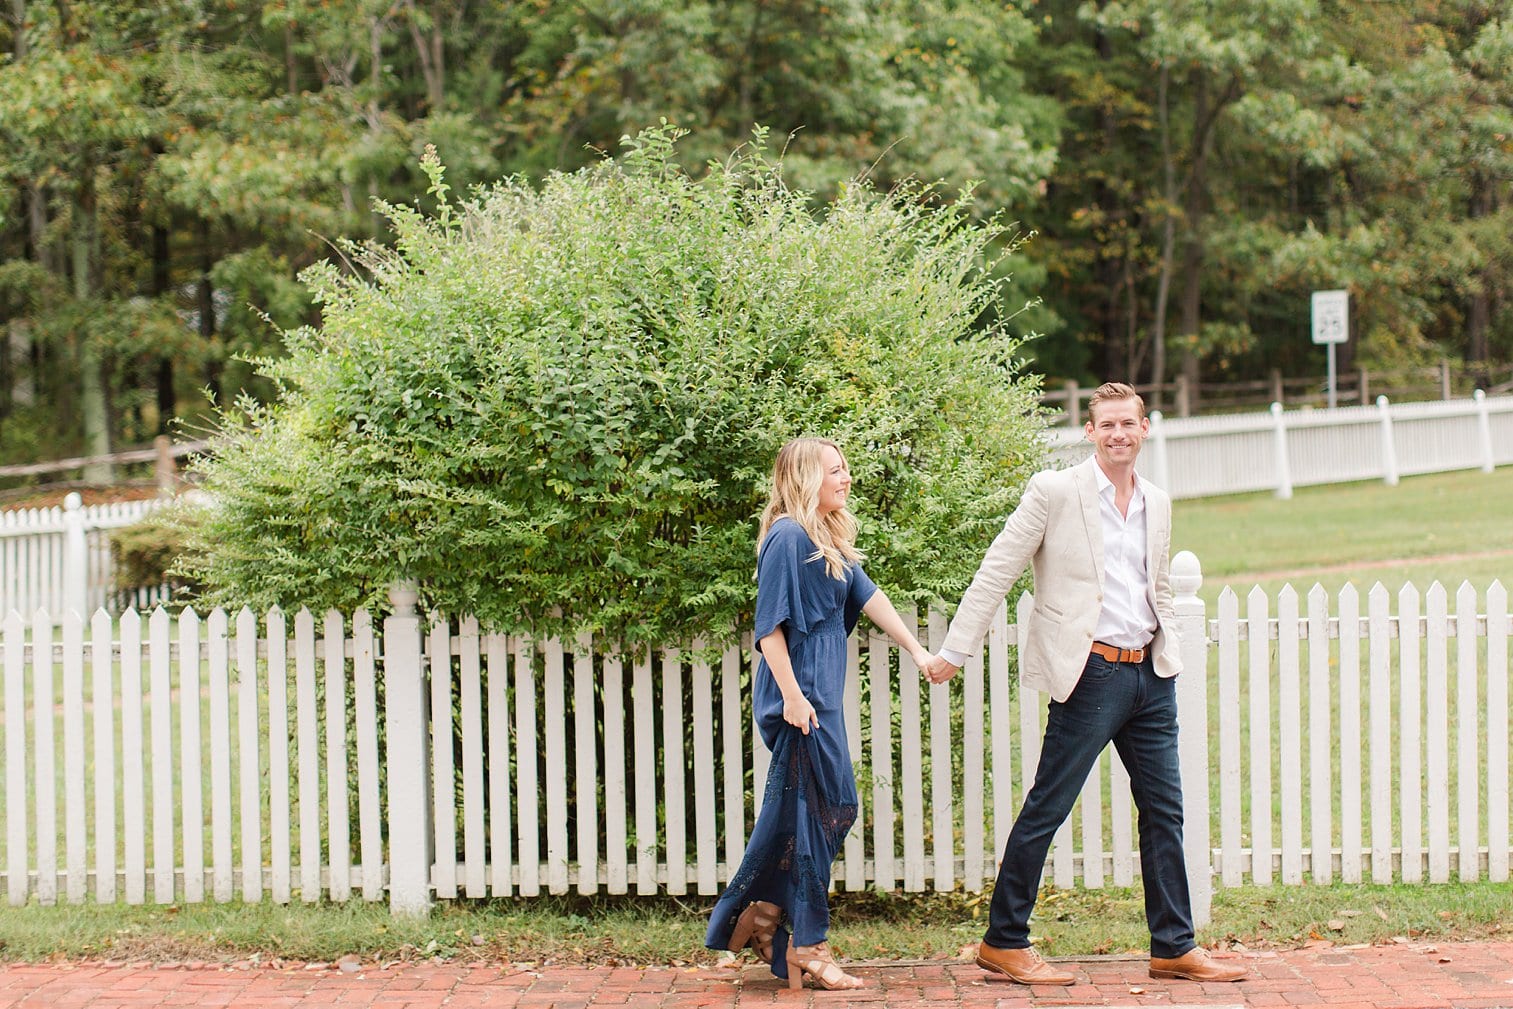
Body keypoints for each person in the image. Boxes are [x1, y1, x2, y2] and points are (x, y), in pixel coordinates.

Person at [923, 382, 1246, 986]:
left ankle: (1173, 945)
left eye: (1129, 423)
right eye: (1107, 425)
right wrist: (954, 651)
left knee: (1165, 812)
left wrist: (1166, 641)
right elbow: (1000, 567)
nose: (1119, 434)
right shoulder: (1056, 492)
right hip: (1089, 673)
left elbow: (1160, 585)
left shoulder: (1157, 500)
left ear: (1145, 428)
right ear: (1091, 432)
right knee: (1050, 803)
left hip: (1150, 675)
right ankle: (1004, 940)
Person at [706, 437, 933, 991]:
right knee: (819, 814)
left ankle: (761, 915)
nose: (847, 478)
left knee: (829, 810)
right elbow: (769, 628)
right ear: (807, 477)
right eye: (836, 470)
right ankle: (806, 945)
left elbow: (870, 596)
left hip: (819, 695)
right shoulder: (786, 536)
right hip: (798, 694)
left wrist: (919, 651)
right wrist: (791, 696)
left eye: (846, 468)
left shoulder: (825, 535)